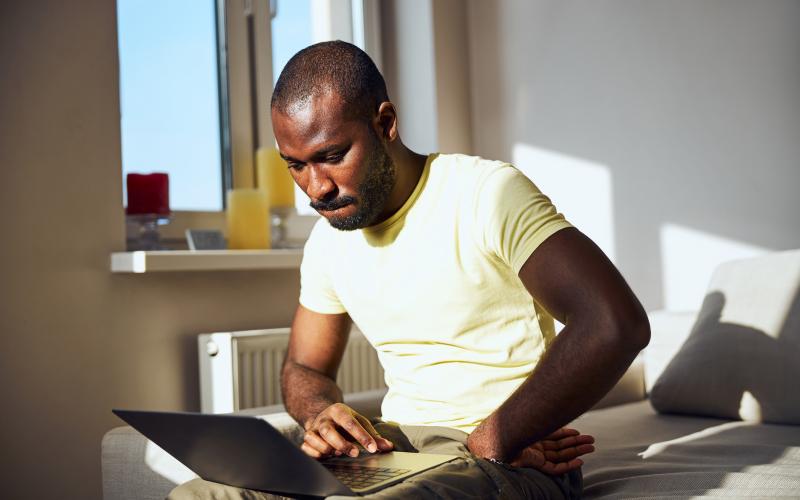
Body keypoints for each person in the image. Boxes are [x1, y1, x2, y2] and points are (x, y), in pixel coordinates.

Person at [169, 40, 650, 499]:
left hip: (510, 454)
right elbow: (305, 365)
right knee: (199, 494)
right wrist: (320, 414)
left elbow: (613, 323)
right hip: (392, 448)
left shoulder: (486, 193)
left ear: (386, 123)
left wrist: (494, 439)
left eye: (332, 156)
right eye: (294, 165)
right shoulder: (327, 242)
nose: (315, 189)